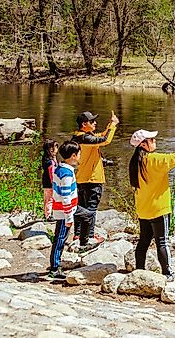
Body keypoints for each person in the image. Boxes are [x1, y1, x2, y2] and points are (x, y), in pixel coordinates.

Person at [129, 126, 175, 281]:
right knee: (162, 242)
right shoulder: (154, 159)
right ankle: (168, 274)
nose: (154, 141)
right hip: (159, 210)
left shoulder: (135, 163)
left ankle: (139, 270)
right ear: (143, 144)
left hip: (143, 210)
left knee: (143, 241)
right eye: (151, 139)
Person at [48, 141, 98, 280]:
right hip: (65, 211)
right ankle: (54, 268)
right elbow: (65, 195)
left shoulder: (63, 168)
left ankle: (83, 243)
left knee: (88, 216)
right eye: (79, 154)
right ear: (74, 156)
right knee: (60, 238)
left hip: (71, 207)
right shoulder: (66, 173)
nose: (80, 156)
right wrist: (69, 217)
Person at [71, 110, 119, 245]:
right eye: (92, 121)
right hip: (92, 179)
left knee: (81, 208)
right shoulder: (85, 138)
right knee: (91, 209)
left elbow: (101, 135)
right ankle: (89, 236)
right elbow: (105, 140)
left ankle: (78, 234)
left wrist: (110, 124)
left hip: (81, 178)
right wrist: (114, 125)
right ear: (84, 124)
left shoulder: (79, 136)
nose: (95, 123)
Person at [40, 139, 58, 221]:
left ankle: (49, 213)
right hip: (49, 183)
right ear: (51, 149)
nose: (57, 149)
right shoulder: (49, 162)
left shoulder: (47, 158)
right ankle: (48, 215)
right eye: (55, 147)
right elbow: (51, 173)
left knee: (49, 198)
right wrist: (54, 183)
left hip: (47, 182)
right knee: (49, 199)